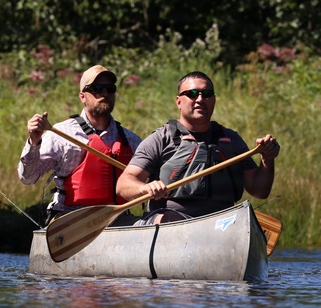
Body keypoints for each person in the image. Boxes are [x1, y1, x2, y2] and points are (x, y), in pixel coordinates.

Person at [116, 71, 280, 223]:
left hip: (221, 222)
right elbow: (123, 185)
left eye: (206, 94)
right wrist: (146, 187)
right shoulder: (160, 139)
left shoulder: (231, 140)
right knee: (170, 219)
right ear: (178, 101)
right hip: (170, 221)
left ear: (213, 100)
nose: (200, 99)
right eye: (192, 94)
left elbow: (260, 191)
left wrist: (267, 160)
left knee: (243, 218)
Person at [18, 65, 142, 225]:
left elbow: (149, 179)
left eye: (110, 88)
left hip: (118, 217)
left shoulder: (131, 140)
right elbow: (28, 178)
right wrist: (34, 143)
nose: (104, 93)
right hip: (71, 220)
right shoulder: (60, 135)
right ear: (82, 96)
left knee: (153, 223)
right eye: (97, 88)